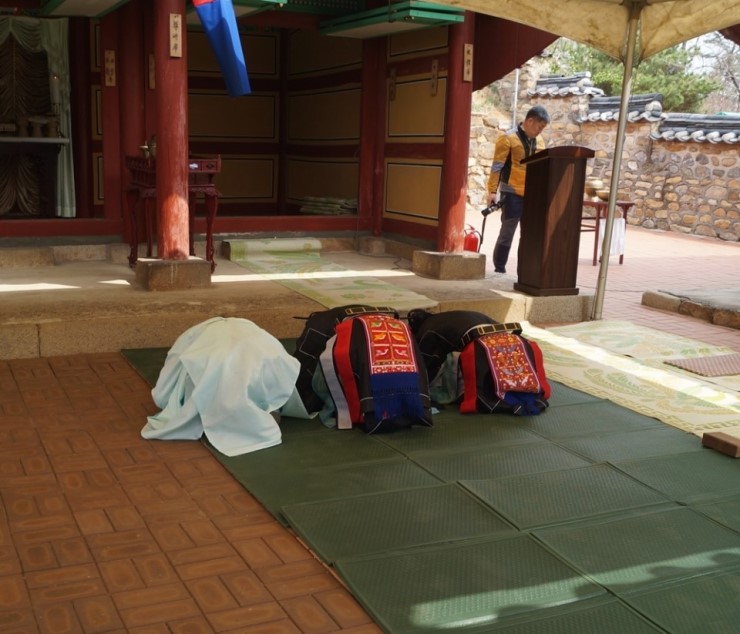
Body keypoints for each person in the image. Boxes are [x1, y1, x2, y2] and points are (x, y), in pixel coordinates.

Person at [407, 308, 550, 416]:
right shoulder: (456, 315)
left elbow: (424, 365)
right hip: (517, 346)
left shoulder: (427, 328)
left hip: (481, 351)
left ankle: (492, 396)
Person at [486, 104, 550, 274]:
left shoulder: (540, 141)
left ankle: (525, 272)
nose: (540, 131)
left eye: (543, 128)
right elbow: (497, 167)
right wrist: (492, 191)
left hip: (533, 194)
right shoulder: (508, 138)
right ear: (529, 121)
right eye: (539, 127)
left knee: (529, 234)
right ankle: (499, 268)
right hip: (512, 192)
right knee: (508, 232)